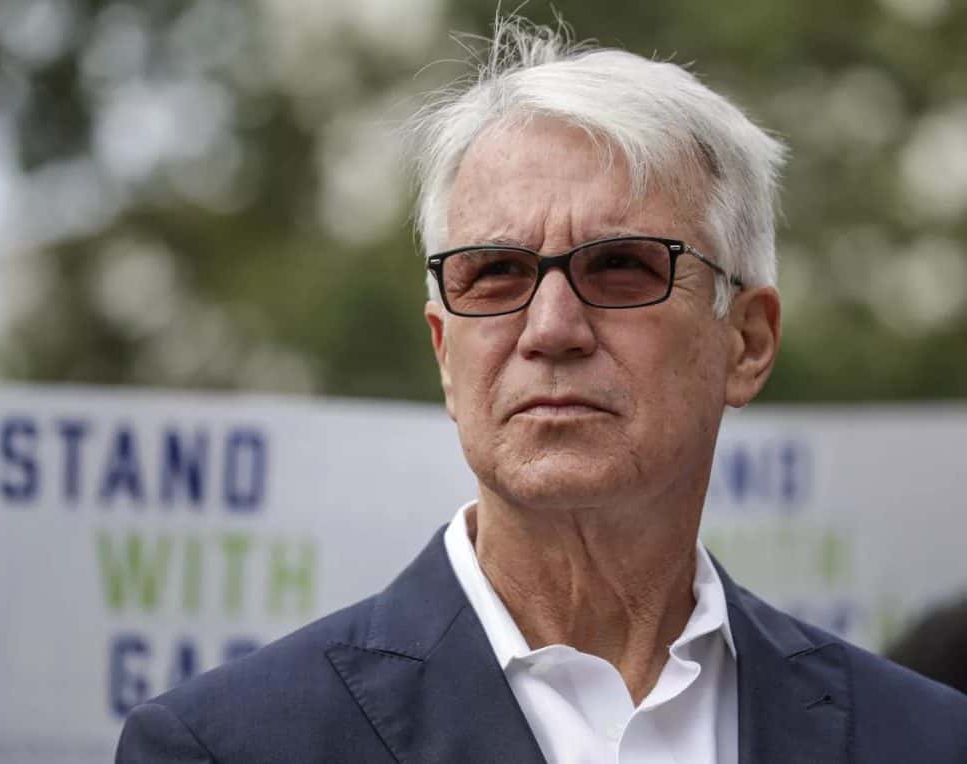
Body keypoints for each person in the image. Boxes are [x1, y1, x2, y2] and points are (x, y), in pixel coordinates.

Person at [116, 17, 967, 763]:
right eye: (494, 273)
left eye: (623, 266)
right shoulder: (230, 746)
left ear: (746, 341)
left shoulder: (926, 739)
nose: (551, 327)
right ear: (445, 353)